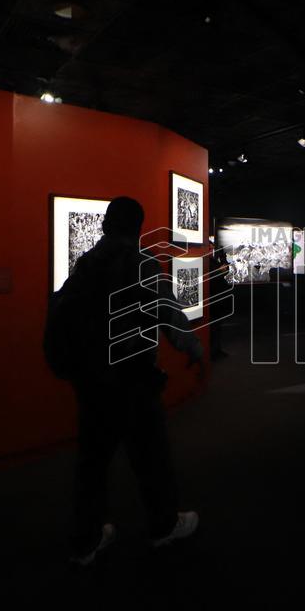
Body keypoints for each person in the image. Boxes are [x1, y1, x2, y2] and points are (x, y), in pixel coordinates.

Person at [58, 196, 204, 566]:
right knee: (152, 460)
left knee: (91, 465)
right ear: (137, 228)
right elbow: (169, 315)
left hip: (93, 381)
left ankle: (86, 541)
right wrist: (193, 349)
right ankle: (163, 526)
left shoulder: (86, 264)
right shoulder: (143, 265)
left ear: (106, 223)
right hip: (135, 380)